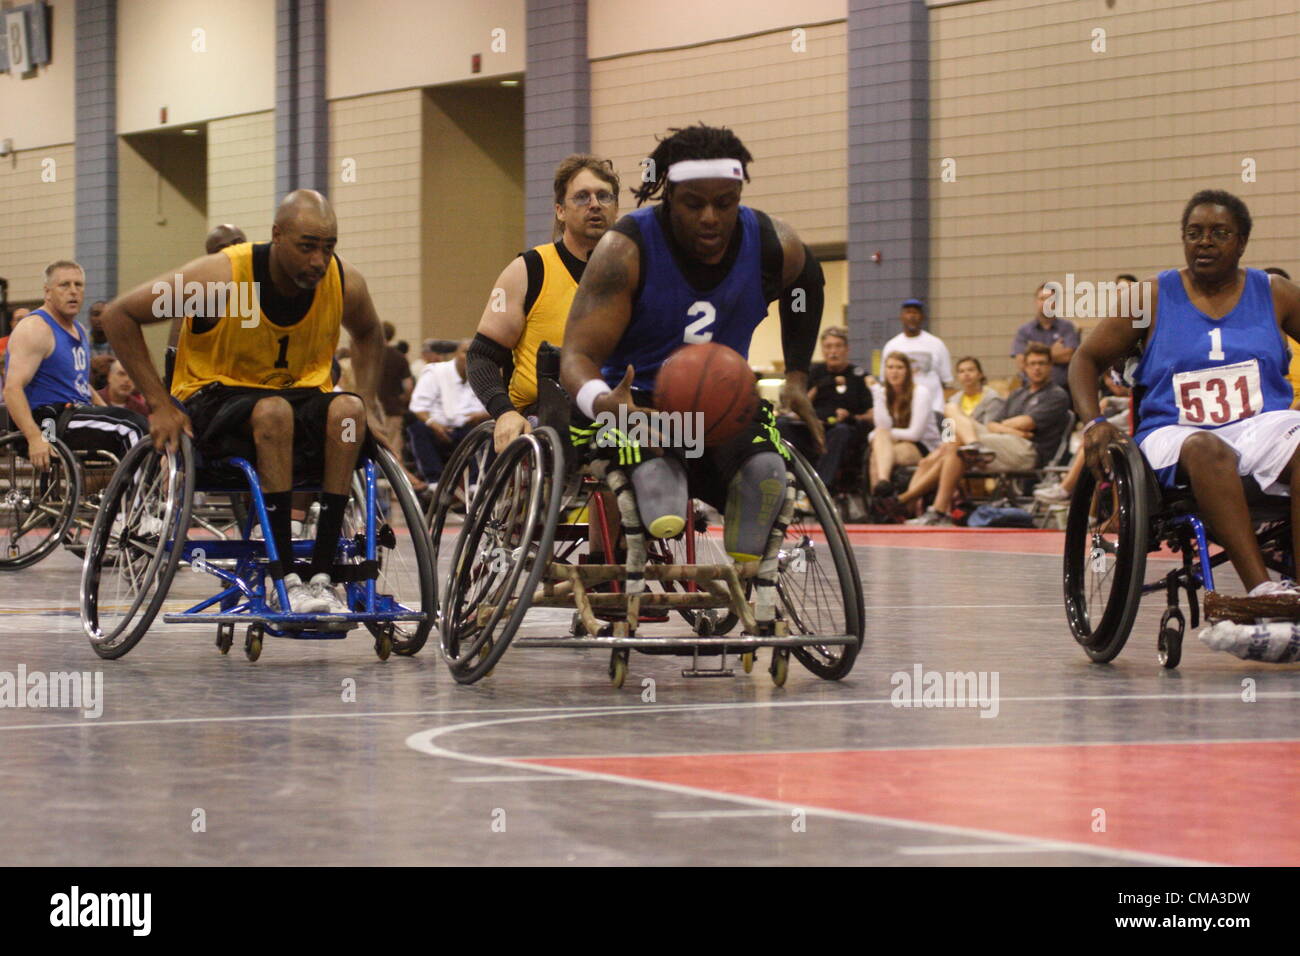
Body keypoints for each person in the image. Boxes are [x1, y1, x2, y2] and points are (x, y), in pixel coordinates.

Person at [99, 189, 387, 617]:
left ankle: (322, 575)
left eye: (328, 248)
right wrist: (159, 404)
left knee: (347, 413)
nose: (318, 260)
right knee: (274, 411)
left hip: (298, 398)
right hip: (217, 400)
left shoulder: (342, 282)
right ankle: (283, 575)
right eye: (307, 247)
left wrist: (367, 399)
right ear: (277, 235)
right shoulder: (223, 280)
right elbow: (119, 316)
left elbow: (368, 333)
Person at [559, 124, 825, 561]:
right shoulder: (626, 249)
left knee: (764, 471)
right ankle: (654, 507)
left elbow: (807, 285)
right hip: (634, 406)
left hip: (721, 409)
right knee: (660, 498)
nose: (710, 217)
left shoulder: (774, 244)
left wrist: (797, 375)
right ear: (669, 196)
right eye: (693, 203)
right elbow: (577, 355)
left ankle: (745, 567)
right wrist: (601, 400)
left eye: (725, 204)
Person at [1070, 188, 1300, 619]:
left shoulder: (1276, 293)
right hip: (1174, 431)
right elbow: (1086, 358)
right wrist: (1093, 421)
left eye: (1219, 233)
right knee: (1206, 449)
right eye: (1194, 233)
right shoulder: (1150, 297)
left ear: (1242, 242)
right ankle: (1262, 593)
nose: (1205, 242)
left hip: (1259, 426)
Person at [468, 154, 621, 453]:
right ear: (560, 210)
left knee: (682, 433)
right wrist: (504, 412)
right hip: (544, 416)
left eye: (604, 196)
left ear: (616, 208)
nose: (594, 204)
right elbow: (481, 356)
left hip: (612, 413)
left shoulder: (635, 272)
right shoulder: (528, 270)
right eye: (581, 197)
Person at [902, 343, 1070, 525]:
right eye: (962, 371)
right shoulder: (955, 399)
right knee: (941, 440)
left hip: (1013, 447)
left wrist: (1003, 427)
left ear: (980, 374)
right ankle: (908, 510)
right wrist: (948, 441)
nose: (966, 375)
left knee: (952, 448)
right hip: (972, 442)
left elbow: (1008, 425)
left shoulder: (991, 399)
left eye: (971, 370)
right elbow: (980, 426)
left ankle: (908, 504)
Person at [3, 261, 147, 470]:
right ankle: (141, 501)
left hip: (74, 415)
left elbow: (82, 385)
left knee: (143, 424)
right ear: (48, 292)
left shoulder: (78, 329)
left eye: (78, 285)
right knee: (130, 428)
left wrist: (107, 412)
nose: (73, 291)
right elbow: (12, 389)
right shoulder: (35, 328)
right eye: (64, 285)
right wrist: (35, 437)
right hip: (47, 424)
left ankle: (140, 495)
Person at [777, 326, 871, 486]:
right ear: (822, 350)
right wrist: (820, 387)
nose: (833, 351)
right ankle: (790, 481)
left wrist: (851, 416)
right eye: (828, 347)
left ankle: (819, 487)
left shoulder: (859, 376)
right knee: (781, 424)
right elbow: (799, 404)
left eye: (837, 346)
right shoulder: (813, 373)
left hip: (841, 429)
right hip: (811, 425)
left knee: (840, 432)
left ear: (847, 349)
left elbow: (871, 414)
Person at [866, 351, 939, 513]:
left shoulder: (920, 393)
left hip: (924, 447)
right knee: (878, 451)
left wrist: (881, 435)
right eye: (890, 367)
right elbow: (882, 426)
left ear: (908, 371)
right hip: (895, 444)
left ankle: (878, 506)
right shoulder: (884, 393)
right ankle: (882, 488)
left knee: (878, 453)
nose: (894, 371)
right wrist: (878, 395)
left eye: (899, 367)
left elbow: (915, 434)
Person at [408, 340, 490, 482]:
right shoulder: (435, 372)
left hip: (468, 428)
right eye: (465, 352)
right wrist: (434, 425)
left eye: (475, 354)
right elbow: (417, 407)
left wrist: (481, 415)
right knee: (417, 428)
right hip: (437, 428)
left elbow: (492, 407)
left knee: (488, 432)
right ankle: (434, 481)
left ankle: (476, 483)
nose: (470, 357)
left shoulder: (483, 375)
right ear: (456, 354)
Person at [880, 298, 952, 414]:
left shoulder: (937, 344)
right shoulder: (891, 346)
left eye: (915, 313)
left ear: (922, 317)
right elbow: (886, 381)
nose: (912, 316)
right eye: (908, 312)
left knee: (947, 428)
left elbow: (945, 381)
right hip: (903, 411)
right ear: (901, 317)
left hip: (934, 408)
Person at [1013, 282, 1080, 388]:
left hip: (1063, 389)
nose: (1046, 303)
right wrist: (1053, 352)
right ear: (1036, 302)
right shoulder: (1024, 331)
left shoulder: (1067, 328)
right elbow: (1021, 362)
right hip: (1030, 389)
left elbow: (1069, 356)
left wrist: (1034, 355)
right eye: (1042, 299)